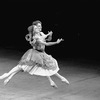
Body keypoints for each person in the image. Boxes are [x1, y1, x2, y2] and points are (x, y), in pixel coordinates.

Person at [0, 20, 69, 88]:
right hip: (35, 54)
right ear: (34, 29)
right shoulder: (35, 38)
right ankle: (7, 75)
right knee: (23, 67)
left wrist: (49, 35)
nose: (40, 27)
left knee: (44, 67)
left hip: (42, 53)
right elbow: (46, 43)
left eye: (40, 26)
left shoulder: (41, 33)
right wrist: (56, 42)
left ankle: (55, 80)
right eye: (37, 27)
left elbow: (47, 39)